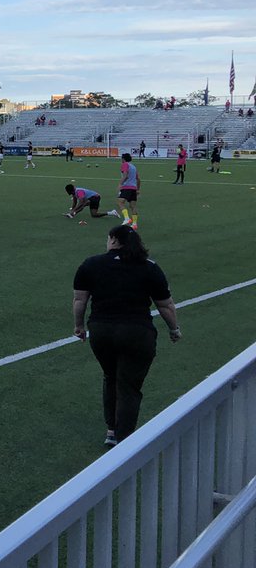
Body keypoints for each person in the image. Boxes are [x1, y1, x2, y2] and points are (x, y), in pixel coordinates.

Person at [73, 224, 181, 446]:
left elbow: (79, 300)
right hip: (136, 333)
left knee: (111, 377)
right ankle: (125, 440)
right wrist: (174, 329)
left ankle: (111, 430)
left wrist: (79, 326)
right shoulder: (149, 267)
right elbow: (165, 305)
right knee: (129, 386)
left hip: (102, 331)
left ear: (113, 240)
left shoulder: (91, 264)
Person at [117, 153, 140, 229]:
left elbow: (125, 176)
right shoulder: (133, 166)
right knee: (133, 206)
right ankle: (134, 224)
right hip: (133, 188)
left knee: (120, 202)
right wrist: (138, 189)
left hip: (127, 187)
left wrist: (120, 184)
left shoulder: (125, 164)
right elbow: (138, 179)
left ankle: (127, 218)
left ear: (123, 159)